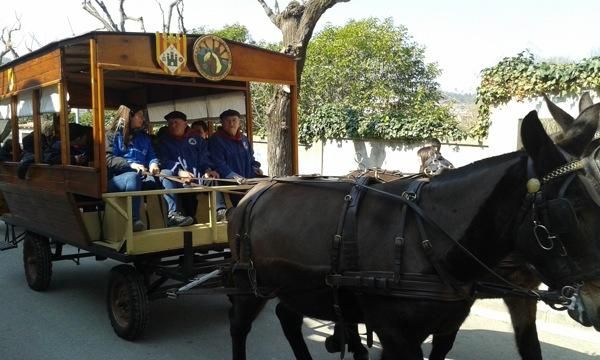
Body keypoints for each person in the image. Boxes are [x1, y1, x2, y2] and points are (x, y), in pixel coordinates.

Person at [157, 110, 219, 226]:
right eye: (170, 123)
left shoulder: (197, 140)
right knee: (169, 175)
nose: (173, 125)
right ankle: (178, 217)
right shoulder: (163, 142)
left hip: (199, 179)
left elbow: (204, 157)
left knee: (213, 178)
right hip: (178, 181)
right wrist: (179, 172)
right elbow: (163, 161)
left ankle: (220, 211)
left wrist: (208, 170)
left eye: (176, 122)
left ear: (185, 124)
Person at [106, 105, 160, 232]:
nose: (143, 119)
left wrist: (153, 164)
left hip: (142, 178)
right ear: (130, 116)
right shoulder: (111, 135)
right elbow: (108, 159)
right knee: (133, 177)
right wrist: (130, 165)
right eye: (140, 116)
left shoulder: (144, 137)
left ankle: (172, 215)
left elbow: (151, 155)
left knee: (167, 174)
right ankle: (134, 220)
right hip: (117, 180)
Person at [209, 109, 262, 219]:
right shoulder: (216, 139)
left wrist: (255, 167)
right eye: (228, 121)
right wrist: (233, 176)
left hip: (247, 180)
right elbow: (218, 163)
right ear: (222, 123)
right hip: (228, 181)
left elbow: (251, 158)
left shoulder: (243, 139)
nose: (231, 124)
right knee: (243, 212)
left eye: (234, 120)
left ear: (239, 122)